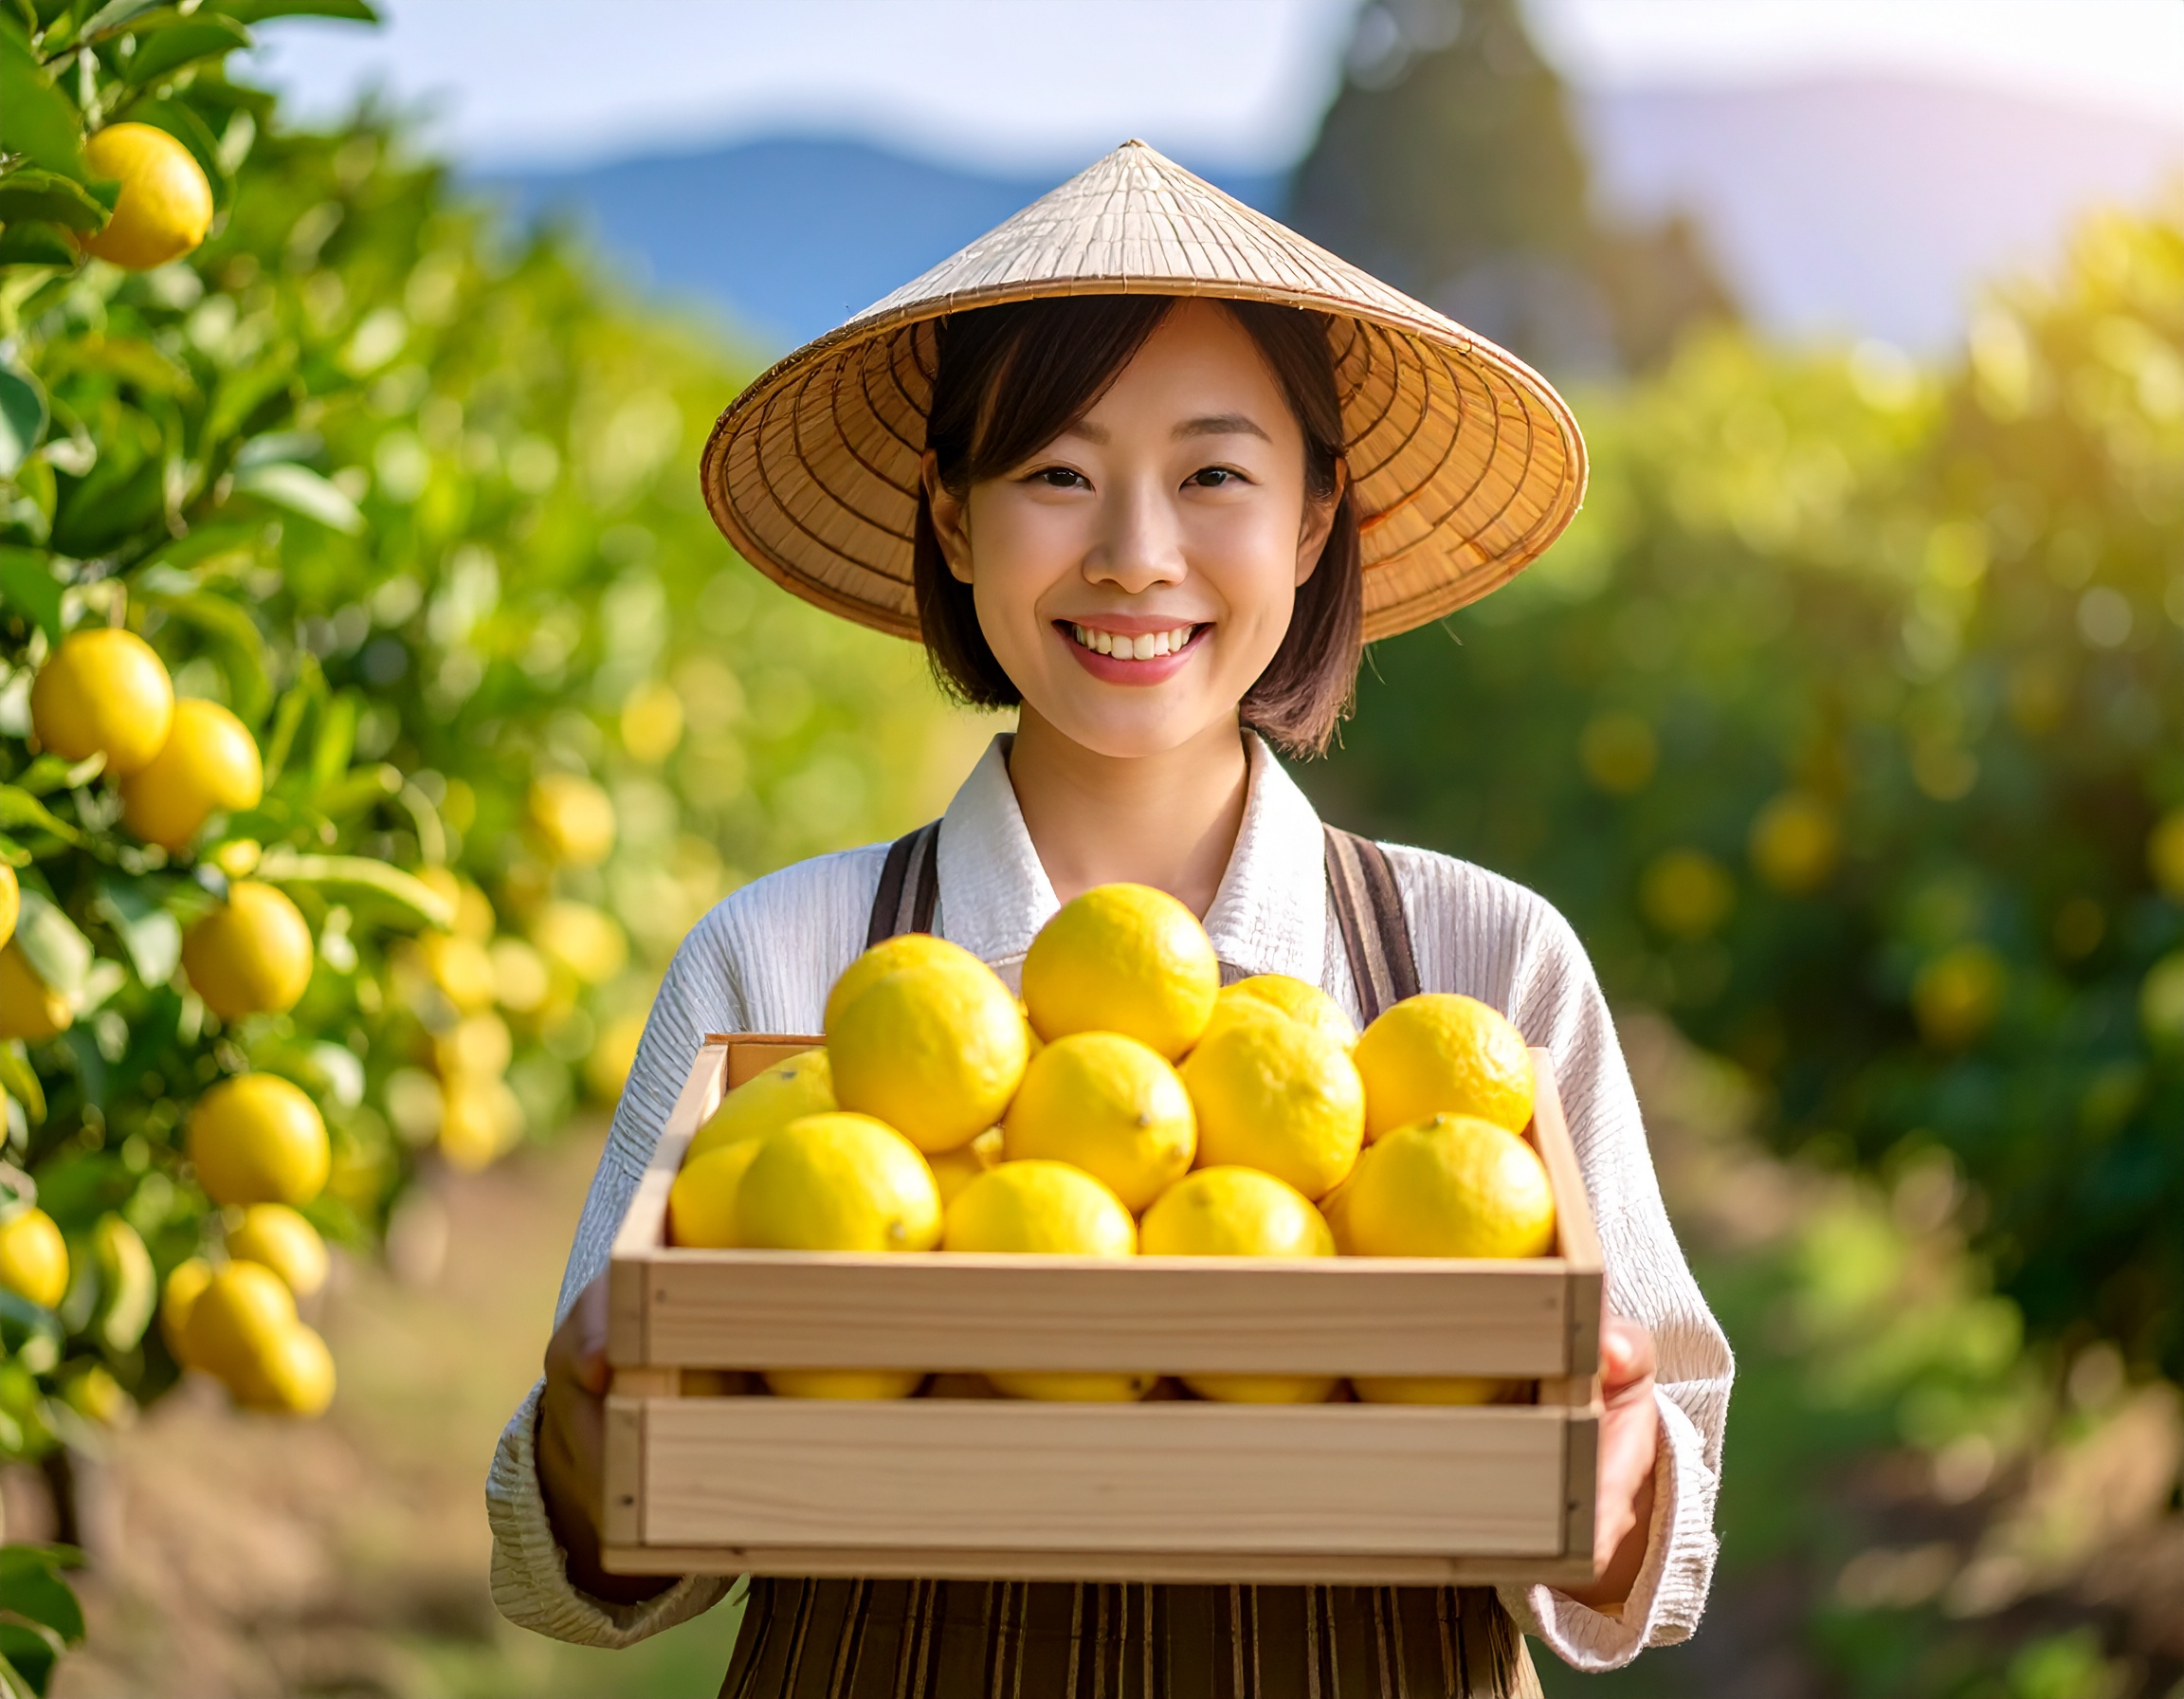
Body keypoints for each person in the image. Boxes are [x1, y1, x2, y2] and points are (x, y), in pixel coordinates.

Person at [487, 140, 1730, 1695]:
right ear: (950, 519)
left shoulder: (1486, 966)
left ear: (1316, 516)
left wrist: (1612, 1494)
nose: (1135, 553)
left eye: (1214, 474)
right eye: (1056, 474)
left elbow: (1663, 1528)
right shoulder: (783, 960)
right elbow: (569, 1564)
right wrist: (599, 1443)